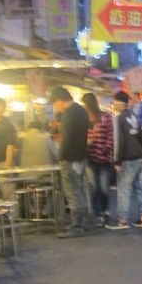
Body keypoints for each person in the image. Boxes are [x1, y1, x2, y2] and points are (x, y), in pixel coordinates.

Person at [49, 86, 90, 238]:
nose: (55, 107)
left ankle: (76, 225)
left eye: (55, 103)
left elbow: (66, 139)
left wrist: (61, 156)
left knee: (72, 192)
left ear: (60, 100)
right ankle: (83, 222)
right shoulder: (81, 110)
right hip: (81, 157)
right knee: (80, 190)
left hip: (70, 158)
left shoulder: (67, 114)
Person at [108, 90, 142, 229]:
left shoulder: (119, 119)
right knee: (140, 188)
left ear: (120, 104)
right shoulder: (134, 116)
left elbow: (119, 142)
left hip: (127, 157)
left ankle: (123, 220)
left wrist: (117, 161)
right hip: (139, 156)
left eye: (114, 103)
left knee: (123, 189)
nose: (113, 105)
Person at [82, 92, 114, 227]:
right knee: (94, 188)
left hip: (104, 158)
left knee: (104, 187)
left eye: (85, 103)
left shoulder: (105, 117)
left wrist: (106, 148)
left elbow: (112, 135)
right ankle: (98, 214)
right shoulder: (84, 119)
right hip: (89, 158)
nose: (84, 106)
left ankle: (105, 210)